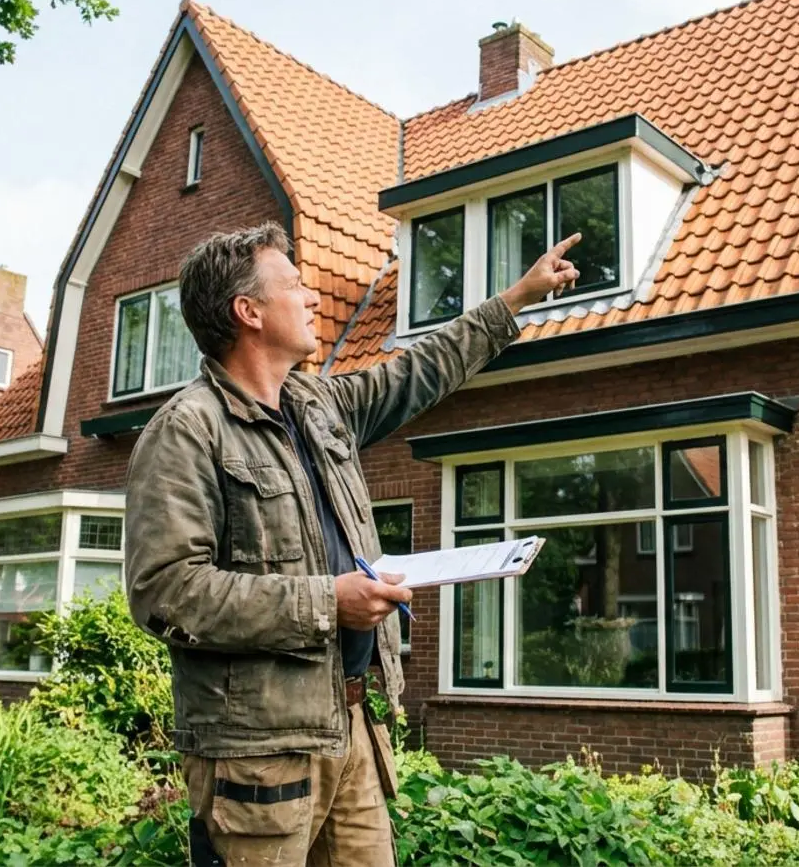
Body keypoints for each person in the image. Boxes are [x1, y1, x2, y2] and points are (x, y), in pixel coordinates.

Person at [124, 221, 581, 866]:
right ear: (247, 312)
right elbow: (165, 592)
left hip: (351, 724)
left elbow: (418, 371)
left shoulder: (318, 404)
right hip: (257, 754)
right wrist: (325, 603)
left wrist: (513, 301)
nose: (311, 298)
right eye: (294, 285)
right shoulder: (187, 432)